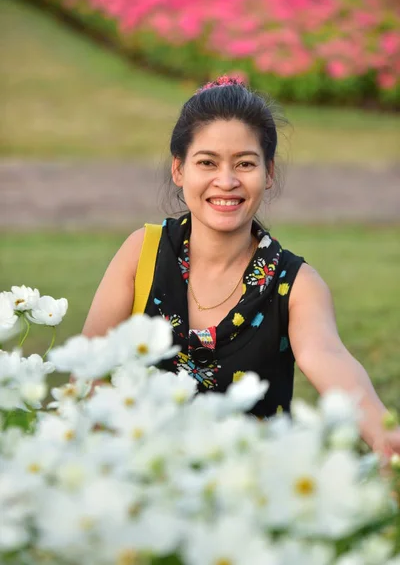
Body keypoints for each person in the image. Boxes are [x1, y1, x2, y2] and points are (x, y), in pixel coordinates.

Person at [83, 76, 400, 459]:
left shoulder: (295, 284)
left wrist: (385, 435)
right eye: (207, 162)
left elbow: (329, 358)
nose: (227, 181)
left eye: (245, 163)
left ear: (269, 174)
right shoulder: (143, 252)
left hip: (251, 495)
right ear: (179, 170)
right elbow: (90, 369)